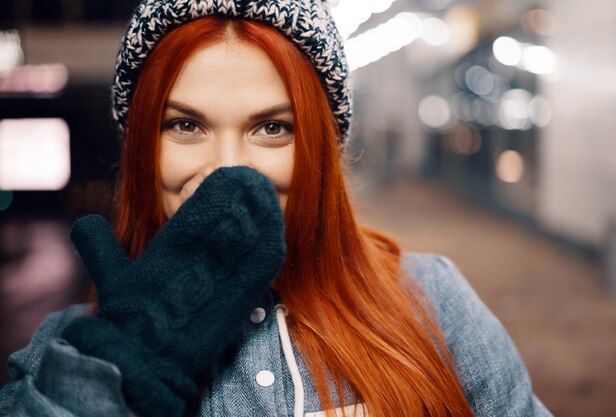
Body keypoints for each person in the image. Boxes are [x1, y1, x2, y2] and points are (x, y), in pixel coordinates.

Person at [0, 1, 554, 416]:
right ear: (146, 147)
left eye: (272, 128)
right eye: (185, 125)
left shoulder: (432, 299)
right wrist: (104, 378)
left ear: (319, 154)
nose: (228, 171)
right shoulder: (66, 350)